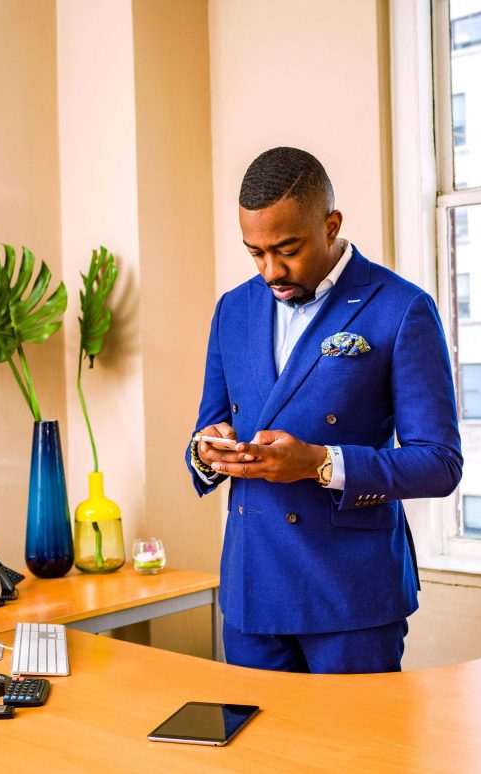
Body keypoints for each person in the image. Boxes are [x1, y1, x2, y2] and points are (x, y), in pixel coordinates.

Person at [186, 146, 462, 674]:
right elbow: (209, 423)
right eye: (255, 253)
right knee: (256, 755)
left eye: (287, 249)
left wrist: (319, 462)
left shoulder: (401, 308)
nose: (271, 270)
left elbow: (440, 462)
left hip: (350, 592)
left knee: (352, 755)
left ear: (331, 225)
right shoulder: (233, 309)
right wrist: (207, 450)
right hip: (251, 587)